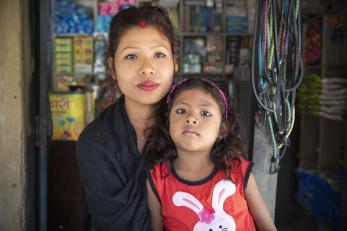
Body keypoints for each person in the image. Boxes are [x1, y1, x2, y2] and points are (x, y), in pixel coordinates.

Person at [76, 6, 175, 231]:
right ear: (112, 67)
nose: (147, 69)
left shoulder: (197, 128)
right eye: (132, 56)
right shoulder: (95, 142)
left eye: (159, 55)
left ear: (174, 62)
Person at [145, 78, 277, 231]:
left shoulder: (237, 170)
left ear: (223, 129)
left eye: (205, 113)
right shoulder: (158, 181)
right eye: (181, 111)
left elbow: (266, 226)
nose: (191, 118)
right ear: (167, 124)